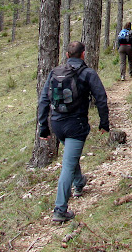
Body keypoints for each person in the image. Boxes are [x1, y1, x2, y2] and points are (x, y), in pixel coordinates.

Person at [37, 41, 110, 223]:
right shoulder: (88, 74)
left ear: (67, 55)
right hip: (76, 126)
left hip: (57, 125)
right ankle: (60, 210)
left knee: (71, 156)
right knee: (68, 165)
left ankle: (79, 183)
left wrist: (43, 126)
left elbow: (43, 101)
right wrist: (104, 123)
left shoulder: (55, 72)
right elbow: (101, 98)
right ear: (83, 54)